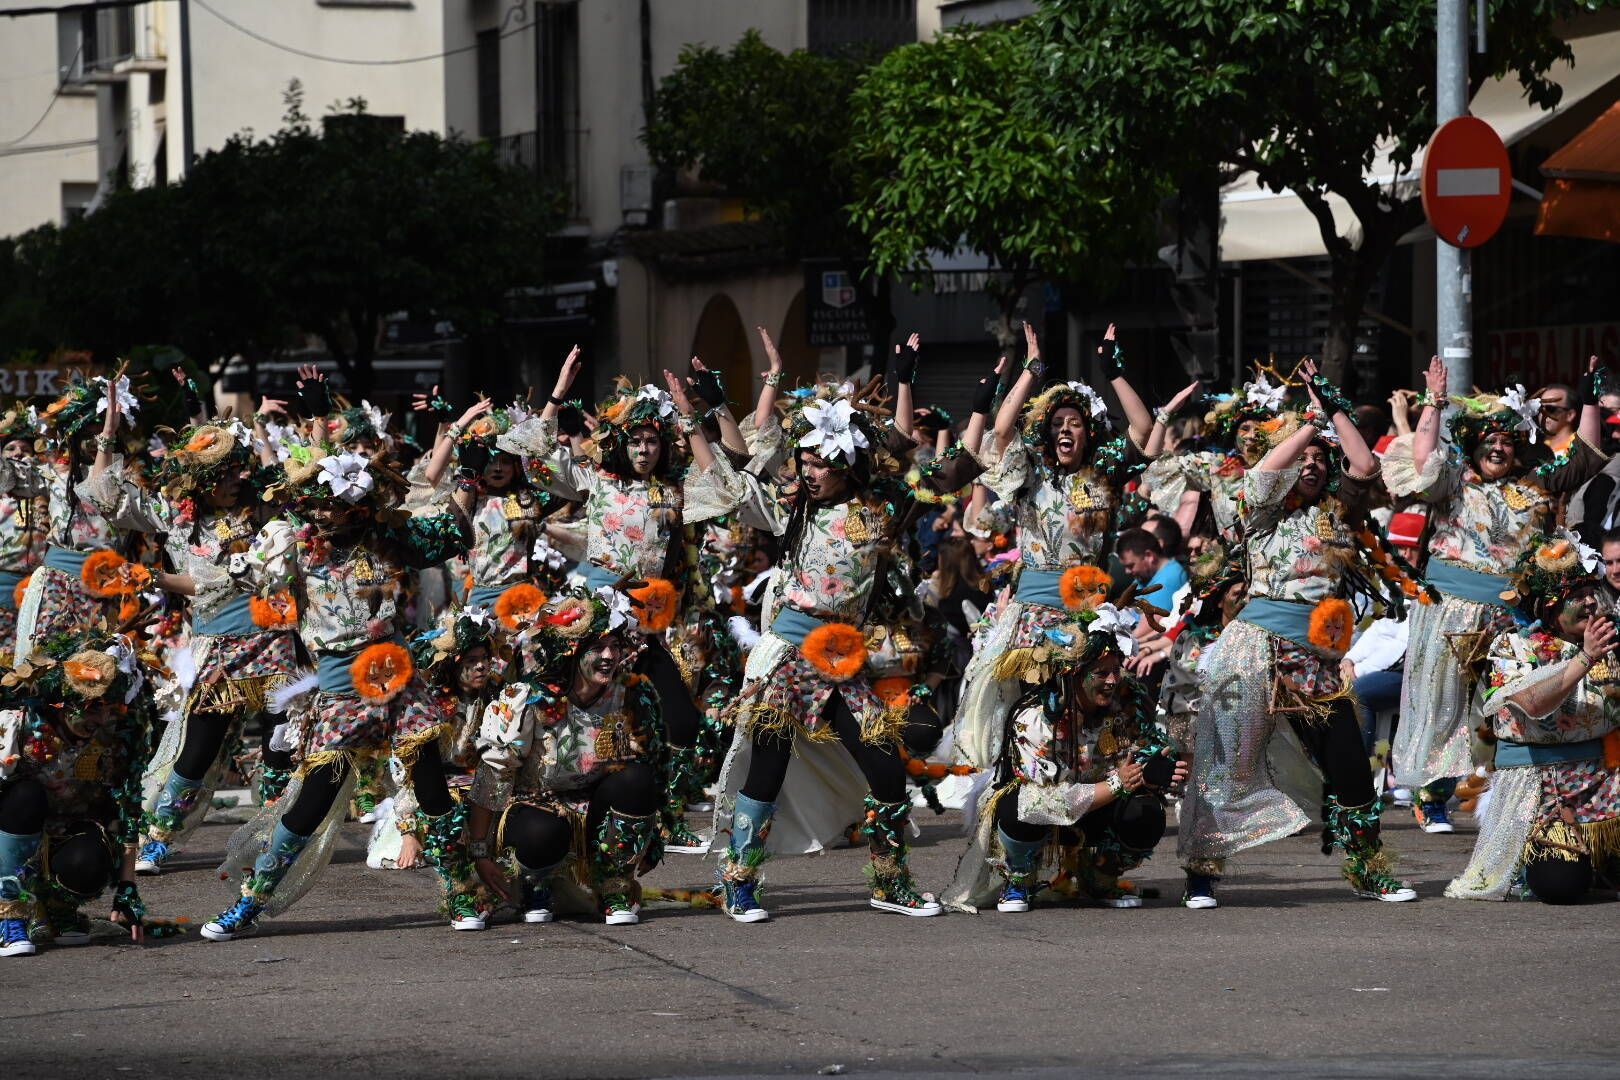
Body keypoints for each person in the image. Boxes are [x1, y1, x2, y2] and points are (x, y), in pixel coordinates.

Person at [709, 354, 980, 922]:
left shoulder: (881, 511)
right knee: (769, 763)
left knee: (884, 767)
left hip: (841, 662)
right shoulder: (790, 512)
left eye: (818, 462)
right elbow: (735, 471)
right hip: (787, 656)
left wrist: (909, 379)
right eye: (802, 460)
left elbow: (919, 452)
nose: (806, 470)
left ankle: (890, 881)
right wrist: (708, 410)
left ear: (846, 465)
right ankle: (739, 880)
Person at [198, 411, 484, 940]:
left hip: (397, 680)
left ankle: (463, 892)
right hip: (337, 687)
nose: (334, 513)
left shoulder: (387, 538)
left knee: (430, 786)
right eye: (325, 505)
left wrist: (470, 476)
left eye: (344, 503)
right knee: (310, 803)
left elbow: (448, 530)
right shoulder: (295, 544)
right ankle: (250, 902)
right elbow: (237, 578)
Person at [1177, 361, 1421, 908]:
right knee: (1226, 762)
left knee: (1351, 765)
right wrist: (1307, 425)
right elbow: (1264, 471)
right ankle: (1201, 870)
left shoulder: (1338, 511)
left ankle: (1369, 870)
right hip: (1252, 650)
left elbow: (1363, 462)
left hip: (1314, 661)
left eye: (1318, 459)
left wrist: (1329, 404)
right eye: (1302, 457)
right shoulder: (1257, 509)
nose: (1311, 464)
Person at [501, 349, 751, 854]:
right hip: (592, 620)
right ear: (620, 444)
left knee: (679, 722)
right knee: (571, 717)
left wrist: (688, 417)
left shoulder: (674, 492)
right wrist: (556, 395)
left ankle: (665, 814)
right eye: (634, 440)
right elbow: (532, 458)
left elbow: (726, 490)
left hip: (646, 623)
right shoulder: (598, 482)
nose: (643, 450)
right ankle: (546, 813)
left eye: (652, 440)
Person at [1384, 357, 1605, 833]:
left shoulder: (1538, 484)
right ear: (1475, 447)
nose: (1499, 447)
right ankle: (1432, 796)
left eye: (1508, 440)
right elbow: (1422, 461)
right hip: (1448, 611)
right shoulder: (1454, 481)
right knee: (1441, 703)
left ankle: (1518, 797)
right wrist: (1434, 403)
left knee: (1517, 701)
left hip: (1511, 616)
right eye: (1491, 441)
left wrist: (1587, 394)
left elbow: (1586, 452)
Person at [80, 402, 303, 875]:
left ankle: (270, 836)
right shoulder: (176, 516)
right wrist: (108, 432)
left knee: (281, 742)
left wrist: (261, 429)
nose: (231, 480)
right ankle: (159, 837)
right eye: (219, 474)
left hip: (272, 639)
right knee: (199, 749)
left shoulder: (261, 508)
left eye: (234, 470)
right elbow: (106, 497)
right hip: (216, 645)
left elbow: (291, 484)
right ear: (199, 481)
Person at [945, 601, 1186, 912]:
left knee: (1146, 812)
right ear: (1072, 675)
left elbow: (1141, 761)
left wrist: (1156, 776)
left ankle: (1098, 876)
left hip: (1098, 807)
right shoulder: (1036, 718)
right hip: (1048, 810)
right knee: (1018, 805)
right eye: (1101, 673)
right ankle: (1019, 878)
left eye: (1116, 670)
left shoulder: (1126, 705)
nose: (1113, 680)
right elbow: (1045, 799)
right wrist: (1116, 784)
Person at [466, 588, 669, 926]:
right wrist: (478, 851)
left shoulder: (630, 693)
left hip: (593, 809)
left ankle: (612, 884)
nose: (608, 656)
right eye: (597, 647)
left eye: (615, 647)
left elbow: (658, 764)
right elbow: (492, 774)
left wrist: (659, 832)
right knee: (545, 830)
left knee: (637, 778)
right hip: (532, 805)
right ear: (572, 651)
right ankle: (535, 884)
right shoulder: (528, 698)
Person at [1447, 537, 1620, 903]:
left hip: (1604, 778)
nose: (1590, 601)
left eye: (1592, 590)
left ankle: (1603, 861)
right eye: (1577, 594)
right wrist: (1584, 659)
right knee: (1561, 886)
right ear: (1550, 606)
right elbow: (1532, 703)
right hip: (1539, 787)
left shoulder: (1611, 637)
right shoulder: (1513, 646)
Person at [0, 632, 154, 955]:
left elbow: (127, 809)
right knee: (26, 796)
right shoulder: (23, 723)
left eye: (110, 709)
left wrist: (127, 885)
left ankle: (59, 908)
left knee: (91, 857)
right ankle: (8, 912)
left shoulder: (116, 737)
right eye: (92, 708)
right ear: (62, 702)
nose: (101, 719)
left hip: (66, 831)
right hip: (14, 830)